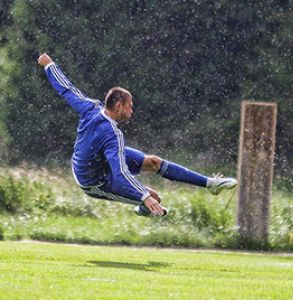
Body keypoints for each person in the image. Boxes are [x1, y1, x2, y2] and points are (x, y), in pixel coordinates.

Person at [37, 53, 237, 217]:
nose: (132, 111)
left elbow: (67, 89)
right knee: (153, 198)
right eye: (130, 106)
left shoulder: (91, 107)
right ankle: (142, 208)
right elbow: (120, 172)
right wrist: (144, 196)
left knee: (154, 162)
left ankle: (210, 183)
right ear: (119, 105)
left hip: (99, 161)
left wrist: (50, 65)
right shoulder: (112, 135)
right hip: (93, 181)